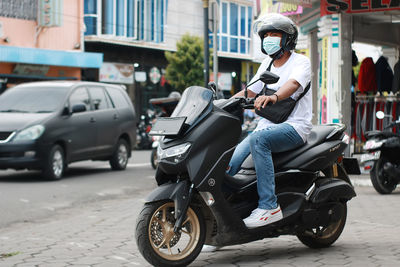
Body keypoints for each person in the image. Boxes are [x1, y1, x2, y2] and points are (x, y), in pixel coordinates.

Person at [228, 13, 312, 229]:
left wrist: (274, 96)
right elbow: (250, 90)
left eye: (275, 34)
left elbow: (292, 84)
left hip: (295, 127)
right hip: (264, 128)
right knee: (229, 162)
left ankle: (269, 207)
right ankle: (224, 216)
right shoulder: (267, 63)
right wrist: (223, 104)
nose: (269, 39)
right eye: (266, 35)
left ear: (287, 39)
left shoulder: (300, 61)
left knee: (259, 140)